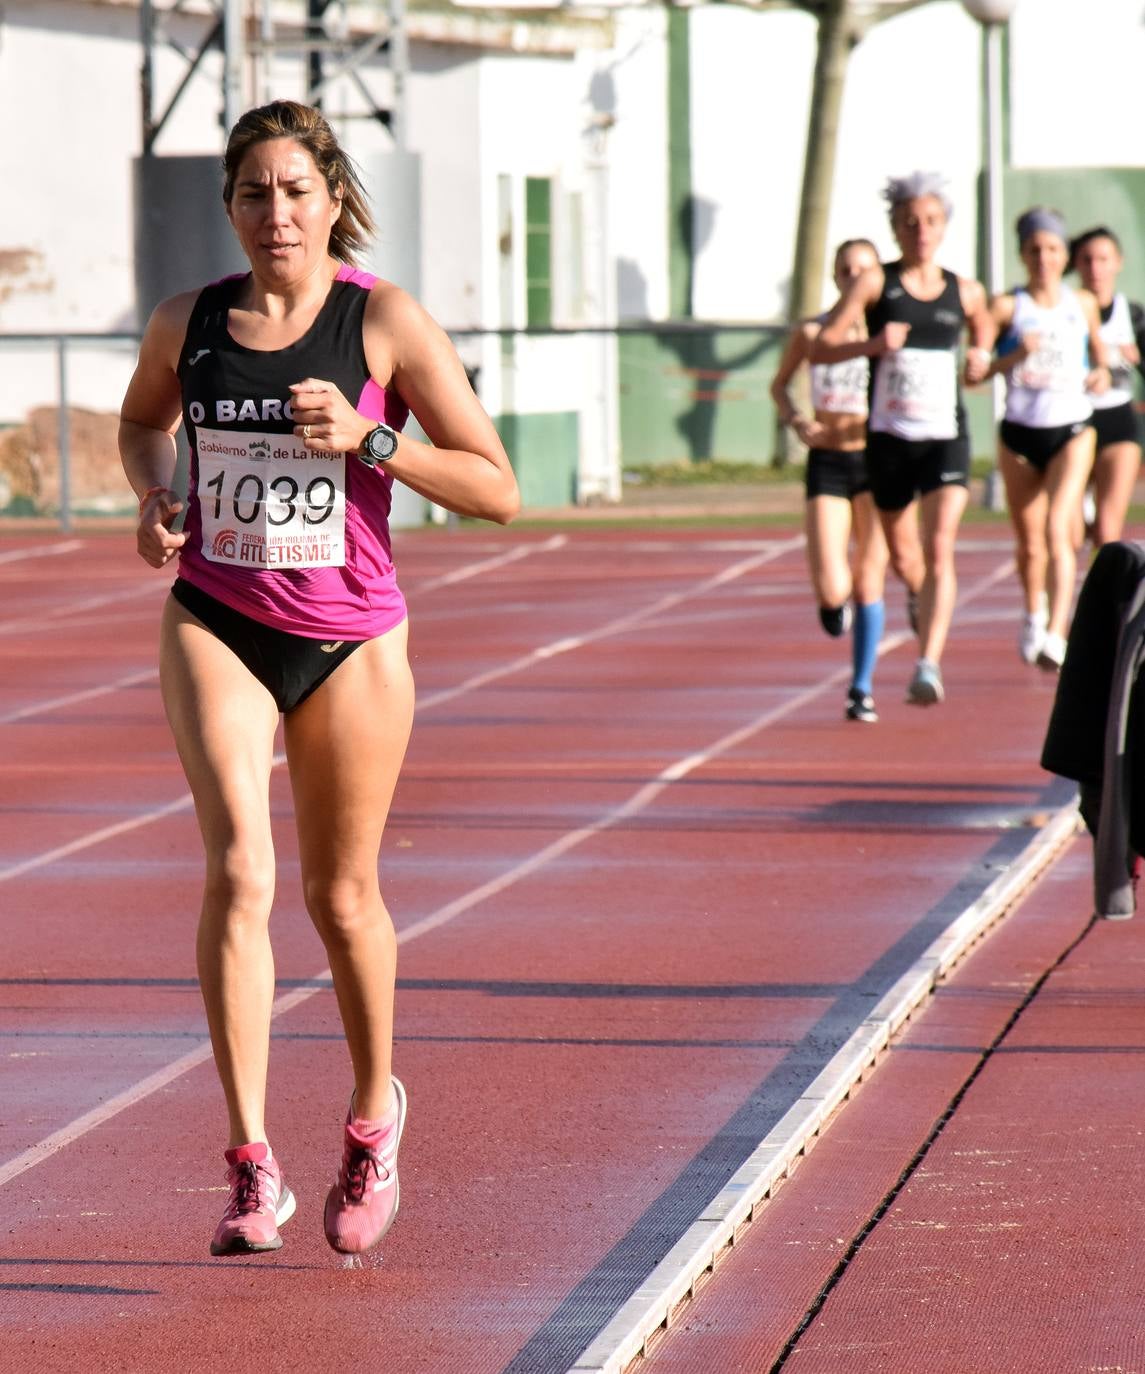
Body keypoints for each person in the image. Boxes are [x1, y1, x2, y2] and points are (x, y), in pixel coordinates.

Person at [118, 100, 519, 1258]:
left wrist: (371, 440)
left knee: (340, 899)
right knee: (237, 868)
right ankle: (251, 1167)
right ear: (231, 208)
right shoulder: (187, 322)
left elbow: (497, 487)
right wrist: (158, 499)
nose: (275, 214)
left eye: (295, 191)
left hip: (350, 639)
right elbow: (144, 424)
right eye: (253, 194)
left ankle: (372, 1114)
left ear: (332, 196)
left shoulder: (382, 323)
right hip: (217, 614)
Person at [809, 172, 994, 707]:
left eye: (931, 221)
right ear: (895, 227)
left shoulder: (965, 290)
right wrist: (871, 344)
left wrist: (980, 357)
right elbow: (821, 347)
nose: (921, 231)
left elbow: (983, 326)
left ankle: (928, 662)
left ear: (944, 227)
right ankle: (918, 596)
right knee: (904, 555)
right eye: (910, 222)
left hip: (945, 437)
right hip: (888, 440)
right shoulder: (875, 286)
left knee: (939, 546)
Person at [770, 238, 888, 722]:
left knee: (869, 581)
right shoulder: (814, 331)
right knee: (833, 587)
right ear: (835, 277)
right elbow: (779, 386)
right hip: (829, 461)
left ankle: (860, 688)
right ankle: (829, 605)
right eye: (846, 270)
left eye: (864, 270)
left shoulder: (887, 334)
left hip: (879, 460)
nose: (854, 278)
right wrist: (798, 422)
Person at [986, 207, 1108, 671]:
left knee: (1061, 528)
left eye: (1053, 249)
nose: (1044, 258)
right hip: (1020, 433)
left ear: (1065, 255)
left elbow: (1099, 356)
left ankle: (1058, 632)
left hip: (1072, 427)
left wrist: (1099, 373)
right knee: (1030, 542)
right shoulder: (1007, 307)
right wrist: (1014, 354)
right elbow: (978, 370)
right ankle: (1034, 610)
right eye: (1035, 249)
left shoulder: (1083, 303)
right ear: (1022, 254)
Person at [1069, 225, 1145, 547]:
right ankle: (1064, 594)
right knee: (1068, 533)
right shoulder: (1064, 310)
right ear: (1076, 264)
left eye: (1103, 259)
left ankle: (1105, 597)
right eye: (1087, 260)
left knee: (1106, 530)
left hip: (1118, 422)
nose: (1095, 268)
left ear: (1118, 262)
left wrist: (1136, 359)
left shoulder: (1132, 314)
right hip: (1071, 423)